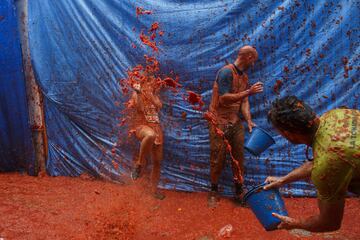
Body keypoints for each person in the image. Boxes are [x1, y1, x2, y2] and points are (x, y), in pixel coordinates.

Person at [265, 96, 360, 232]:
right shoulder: (335, 115)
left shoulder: (327, 167)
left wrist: (295, 223)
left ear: (288, 134)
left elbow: (329, 223)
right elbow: (323, 160)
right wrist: (283, 180)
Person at [208, 45, 264, 207]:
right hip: (218, 120)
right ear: (248, 57)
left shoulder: (244, 77)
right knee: (218, 157)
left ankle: (239, 192)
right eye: (254, 60)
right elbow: (223, 99)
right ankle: (213, 190)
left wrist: (248, 119)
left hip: (235, 121)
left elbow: (244, 101)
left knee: (238, 158)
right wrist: (248, 92)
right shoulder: (226, 72)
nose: (254, 64)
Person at [128, 74, 165, 200]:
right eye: (150, 83)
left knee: (157, 162)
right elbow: (139, 108)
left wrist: (152, 96)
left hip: (156, 128)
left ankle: (153, 190)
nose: (153, 85)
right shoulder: (137, 94)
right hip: (141, 126)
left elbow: (159, 105)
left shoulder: (155, 97)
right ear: (144, 84)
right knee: (150, 135)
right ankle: (139, 164)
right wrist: (138, 93)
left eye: (154, 83)